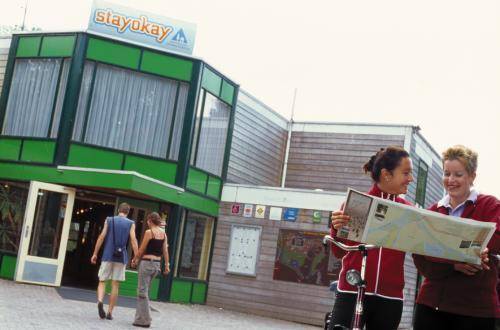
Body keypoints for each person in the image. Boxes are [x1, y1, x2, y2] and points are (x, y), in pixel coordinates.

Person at [412, 145, 499, 330]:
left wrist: (480, 251)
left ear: (472, 176)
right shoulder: (433, 212)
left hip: (476, 311)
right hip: (431, 306)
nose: (450, 180)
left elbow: (496, 239)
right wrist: (454, 264)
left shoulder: (490, 205)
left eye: (458, 174)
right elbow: (421, 258)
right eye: (446, 173)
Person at [329, 146, 414, 329]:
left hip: (390, 298)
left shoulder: (408, 212)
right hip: (352, 292)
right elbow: (337, 252)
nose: (411, 179)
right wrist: (335, 228)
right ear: (386, 174)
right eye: (406, 173)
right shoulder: (358, 205)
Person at [91, 202, 139, 320]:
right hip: (121, 257)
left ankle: (100, 301)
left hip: (107, 255)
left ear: (118, 210)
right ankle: (110, 313)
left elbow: (102, 236)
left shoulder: (109, 220)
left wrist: (95, 253)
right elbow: (133, 240)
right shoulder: (131, 223)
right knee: (115, 285)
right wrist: (136, 257)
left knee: (102, 281)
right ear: (128, 212)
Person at [131, 212, 170, 328]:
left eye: (148, 221)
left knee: (142, 292)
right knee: (145, 292)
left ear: (150, 221)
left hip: (147, 263)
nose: (147, 223)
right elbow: (165, 251)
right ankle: (139, 319)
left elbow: (142, 248)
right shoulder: (164, 234)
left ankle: (146, 320)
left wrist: (134, 259)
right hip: (157, 265)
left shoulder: (149, 232)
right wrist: (167, 265)